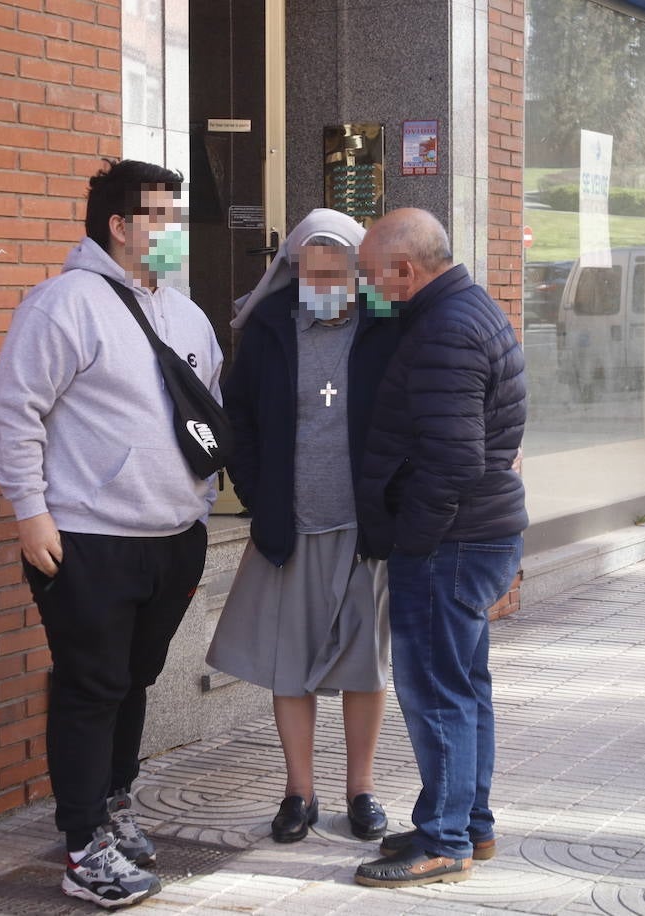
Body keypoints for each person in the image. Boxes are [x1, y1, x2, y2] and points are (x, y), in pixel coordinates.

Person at [0, 160, 221, 909]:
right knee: (90, 687)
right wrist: (31, 512)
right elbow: (13, 410)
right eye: (159, 218)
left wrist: (204, 509)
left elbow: (206, 416)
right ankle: (83, 846)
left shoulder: (186, 315)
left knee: (134, 680)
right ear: (119, 226)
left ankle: (114, 806)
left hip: (172, 536)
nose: (171, 234)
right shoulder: (65, 305)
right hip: (86, 538)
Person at [207, 209, 401, 845]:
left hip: (361, 529)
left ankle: (362, 790)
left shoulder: (383, 326)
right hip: (290, 528)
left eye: (337, 267)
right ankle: (299, 791)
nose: (325, 279)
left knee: (363, 667)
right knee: (291, 667)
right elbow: (237, 420)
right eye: (310, 268)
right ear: (293, 268)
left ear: (355, 269)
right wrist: (262, 499)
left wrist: (392, 500)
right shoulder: (269, 327)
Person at [351, 208, 528, 889]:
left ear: (406, 270)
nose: (367, 287)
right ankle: (467, 823)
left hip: (448, 543)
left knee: (436, 694)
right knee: (464, 687)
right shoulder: (468, 310)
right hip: (474, 535)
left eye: (371, 274)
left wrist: (413, 543)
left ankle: (445, 840)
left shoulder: (445, 329)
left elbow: (451, 462)